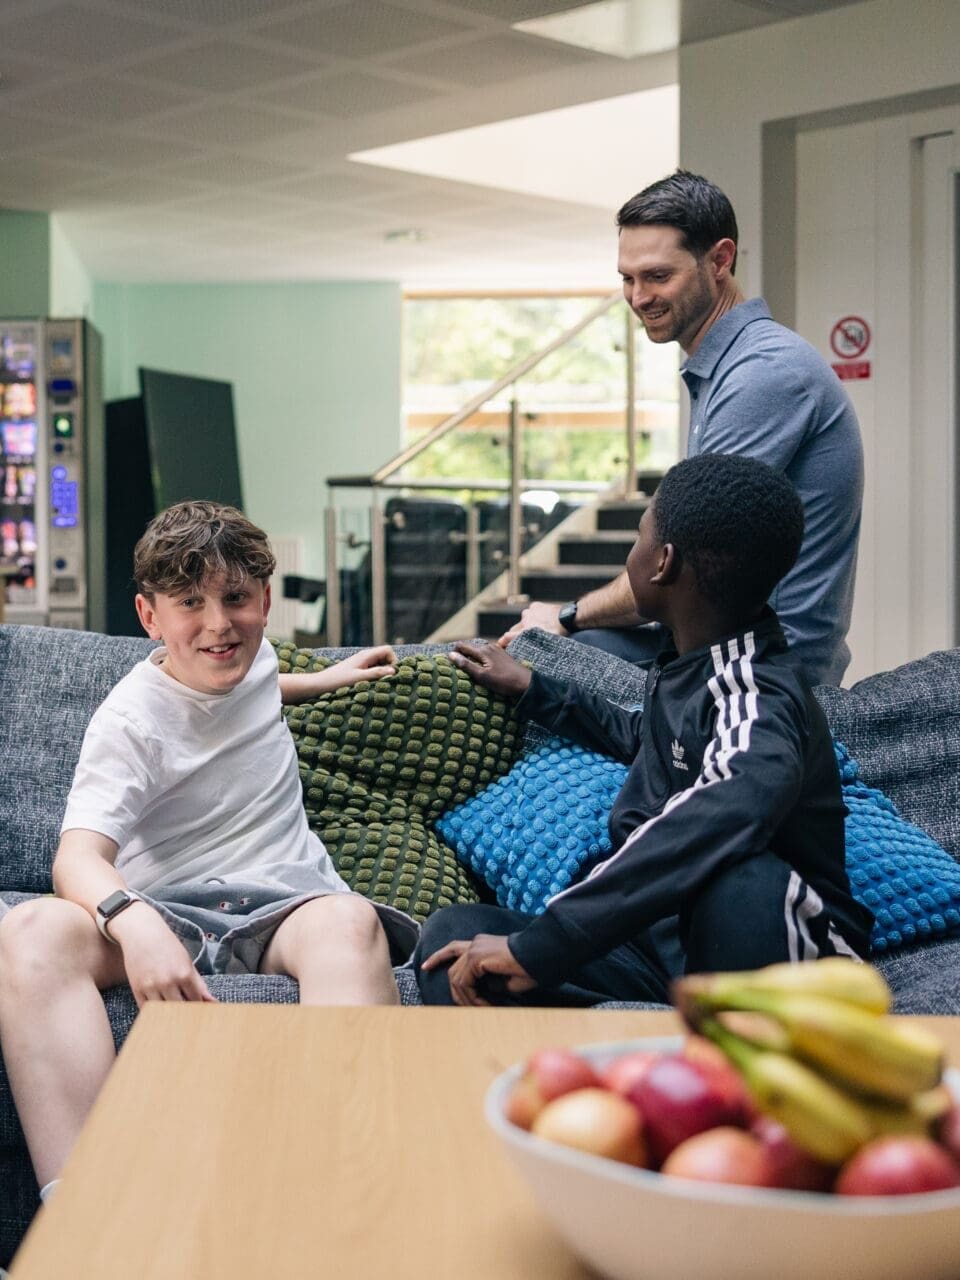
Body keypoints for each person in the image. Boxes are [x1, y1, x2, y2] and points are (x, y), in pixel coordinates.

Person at [0, 500, 418, 1204]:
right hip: (169, 911)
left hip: (286, 904)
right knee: (32, 931)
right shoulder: (130, 721)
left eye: (235, 599)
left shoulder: (253, 661)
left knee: (350, 922)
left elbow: (255, 689)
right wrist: (136, 926)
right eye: (190, 603)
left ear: (265, 599)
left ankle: (344, 1191)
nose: (219, 624)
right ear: (149, 617)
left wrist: (327, 681)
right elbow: (75, 859)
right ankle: (86, 1211)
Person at [416, 453, 873, 1009]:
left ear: (662, 562)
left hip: (771, 947)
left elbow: (730, 801)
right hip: (660, 947)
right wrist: (534, 690)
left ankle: (731, 1056)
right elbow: (651, 740)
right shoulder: (688, 664)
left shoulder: (757, 694)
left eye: (637, 536)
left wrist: (550, 942)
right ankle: (630, 1066)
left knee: (741, 884)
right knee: (449, 944)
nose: (630, 551)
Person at [502, 169, 862, 689]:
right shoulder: (727, 367)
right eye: (627, 278)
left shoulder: (764, 372)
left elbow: (674, 567)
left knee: (526, 665)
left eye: (657, 276)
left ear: (720, 260)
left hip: (768, 673)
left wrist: (566, 615)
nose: (638, 296)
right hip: (713, 646)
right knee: (502, 660)